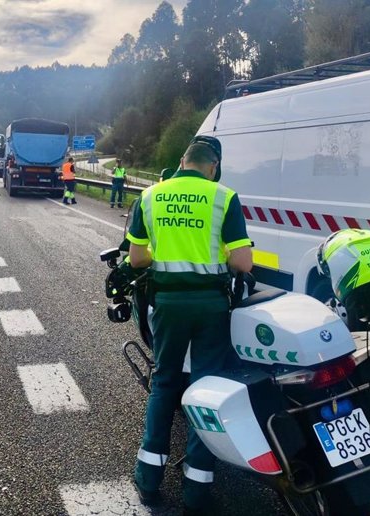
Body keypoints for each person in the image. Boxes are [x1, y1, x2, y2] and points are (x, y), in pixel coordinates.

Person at [126, 135, 253, 512]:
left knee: (164, 382)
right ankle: (197, 486)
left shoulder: (150, 196)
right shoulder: (224, 197)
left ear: (183, 161)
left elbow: (136, 259)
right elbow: (243, 263)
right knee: (206, 386)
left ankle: (148, 477)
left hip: (166, 304)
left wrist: (168, 257)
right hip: (211, 306)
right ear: (212, 167)